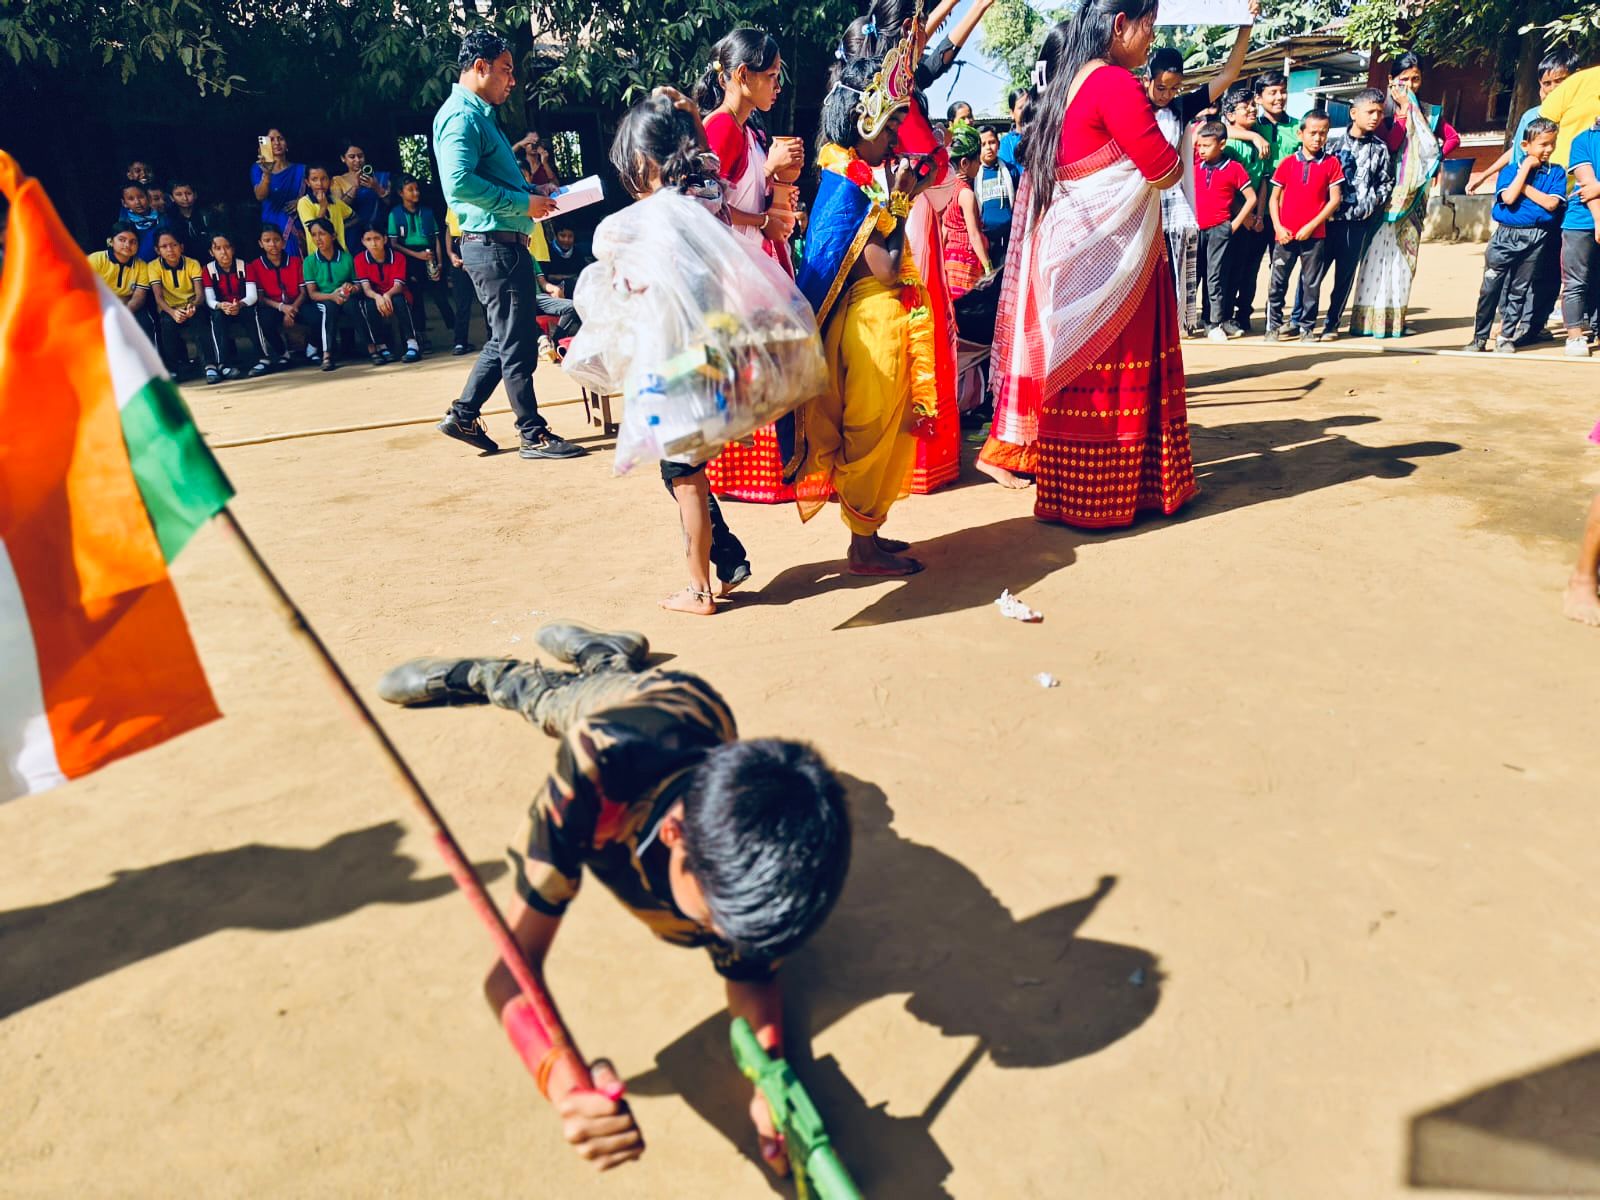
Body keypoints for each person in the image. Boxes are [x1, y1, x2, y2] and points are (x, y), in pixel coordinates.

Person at [373, 621, 850, 1177]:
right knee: (547, 702)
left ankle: (606, 654)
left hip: (694, 715)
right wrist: (562, 1080)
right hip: (639, 715)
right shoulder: (593, 774)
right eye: (718, 922)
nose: (726, 944)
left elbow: (752, 976)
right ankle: (475, 674)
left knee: (610, 683)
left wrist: (769, 1076)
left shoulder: (741, 883)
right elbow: (509, 972)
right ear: (674, 834)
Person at [987, 1, 1197, 526]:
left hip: (1070, 246)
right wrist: (1180, 149)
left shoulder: (1066, 84)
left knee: (1073, 370)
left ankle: (1068, 495)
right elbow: (1161, 167)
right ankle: (1116, 496)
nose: (1152, 39)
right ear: (1121, 24)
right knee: (1114, 368)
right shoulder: (1114, 83)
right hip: (1110, 258)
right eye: (1149, 26)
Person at [789, 56, 938, 576]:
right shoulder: (852, 187)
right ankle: (862, 547)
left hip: (877, 321)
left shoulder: (854, 176)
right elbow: (890, 268)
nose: (897, 138)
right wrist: (901, 202)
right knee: (872, 432)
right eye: (891, 126)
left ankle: (869, 532)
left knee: (884, 430)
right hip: (871, 327)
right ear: (863, 123)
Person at [608, 89, 755, 613]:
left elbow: (632, 286)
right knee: (689, 474)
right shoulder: (706, 191)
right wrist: (690, 113)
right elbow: (705, 158)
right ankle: (723, 562)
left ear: (646, 162)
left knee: (685, 480)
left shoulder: (654, 220)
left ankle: (699, 590)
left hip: (674, 366)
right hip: (709, 358)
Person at [433, 28, 585, 460]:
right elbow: (458, 184)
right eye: (505, 70)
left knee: (508, 336)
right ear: (480, 67)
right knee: (515, 339)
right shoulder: (461, 117)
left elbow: (486, 179)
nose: (511, 80)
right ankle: (531, 433)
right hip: (493, 244)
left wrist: (538, 197)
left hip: (503, 242)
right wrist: (523, 201)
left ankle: (464, 413)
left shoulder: (477, 115)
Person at [696, 28, 804, 505]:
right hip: (735, 269)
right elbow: (705, 206)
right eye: (771, 76)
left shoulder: (743, 129)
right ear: (742, 76)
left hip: (751, 261)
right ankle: (762, 474)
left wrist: (778, 200)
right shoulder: (720, 127)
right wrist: (764, 205)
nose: (776, 86)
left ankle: (772, 471)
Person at [1143, 10, 1258, 337]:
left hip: (1172, 209)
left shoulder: (1180, 108)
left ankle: (1173, 329)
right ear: (1147, 79)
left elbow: (1229, 73)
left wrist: (1245, 26)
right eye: (1162, 88)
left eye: (1174, 89)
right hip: (1138, 204)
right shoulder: (1132, 103)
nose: (1167, 95)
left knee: (1172, 278)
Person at [1349, 52, 1460, 339]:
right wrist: (1401, 112)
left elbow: (1452, 139)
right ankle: (1366, 320)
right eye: (1404, 79)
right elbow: (1391, 144)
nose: (1410, 84)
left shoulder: (1429, 112)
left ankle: (1394, 320)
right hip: (1385, 193)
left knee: (1403, 256)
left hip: (1414, 195)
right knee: (1374, 253)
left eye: (1415, 79)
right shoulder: (1380, 112)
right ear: (1391, 80)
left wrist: (1432, 163)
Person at [1463, 118, 1566, 355]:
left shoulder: (1556, 173)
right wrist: (1525, 170)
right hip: (1504, 237)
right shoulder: (1509, 171)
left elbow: (1551, 204)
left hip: (1536, 237)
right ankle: (1479, 338)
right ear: (1525, 146)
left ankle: (1506, 336)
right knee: (1490, 288)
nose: (1548, 149)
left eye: (1552, 143)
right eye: (1543, 144)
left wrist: (1525, 188)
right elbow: (1508, 198)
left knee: (1520, 289)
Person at [1312, 88, 1392, 341]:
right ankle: (1300, 322)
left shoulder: (1380, 148)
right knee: (1312, 275)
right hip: (1326, 221)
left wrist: (1372, 201)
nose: (1375, 117)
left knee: (1344, 277)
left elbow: (1385, 182)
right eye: (1370, 112)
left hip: (1357, 223)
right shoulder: (1332, 143)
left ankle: (1331, 324)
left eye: (1379, 113)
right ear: (1353, 112)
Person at [1265, 111, 1343, 341]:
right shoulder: (1288, 163)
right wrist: (1278, 227)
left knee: (1311, 283)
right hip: (1285, 235)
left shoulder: (1331, 164)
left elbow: (1335, 199)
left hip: (1315, 235)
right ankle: (1273, 327)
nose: (1317, 138)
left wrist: (1311, 226)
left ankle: (1307, 328)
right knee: (1277, 283)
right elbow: (1273, 198)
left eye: (1323, 133)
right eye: (1312, 133)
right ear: (1301, 134)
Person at [1470, 51, 1577, 194]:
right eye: (1547, 83)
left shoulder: (1584, 114)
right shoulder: (1532, 116)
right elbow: (1518, 151)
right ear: (1540, 86)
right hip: (1536, 193)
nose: (1553, 88)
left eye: (1559, 81)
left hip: (1574, 193)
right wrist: (1484, 175)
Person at [1192, 122, 1255, 343]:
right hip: (1196, 229)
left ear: (1222, 144)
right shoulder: (1195, 166)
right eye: (1199, 145)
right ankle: (1190, 320)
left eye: (1207, 146)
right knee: (1193, 275)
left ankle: (1214, 323)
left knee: (1215, 276)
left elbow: (1251, 198)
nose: (1201, 150)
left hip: (1220, 229)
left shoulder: (1234, 168)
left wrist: (1234, 225)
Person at [1217, 85, 1268, 337]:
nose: (1251, 109)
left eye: (1252, 105)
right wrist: (1245, 215)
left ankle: (1241, 315)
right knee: (1228, 270)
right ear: (1229, 114)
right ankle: (1223, 317)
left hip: (1255, 215)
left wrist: (1258, 215)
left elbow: (1264, 180)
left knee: (1248, 270)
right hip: (1233, 215)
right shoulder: (1226, 142)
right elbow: (1227, 187)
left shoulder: (1260, 133)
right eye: (1244, 107)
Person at [387, 175, 454, 349]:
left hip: (429, 255)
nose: (415, 193)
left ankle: (455, 331)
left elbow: (436, 238)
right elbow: (394, 244)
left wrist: (439, 263)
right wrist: (416, 256)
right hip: (409, 258)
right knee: (415, 297)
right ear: (401, 193)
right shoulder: (395, 214)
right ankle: (421, 336)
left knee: (440, 294)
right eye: (410, 190)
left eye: (417, 189)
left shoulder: (427, 212)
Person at [1558, 116, 1600, 357]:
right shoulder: (1583, 139)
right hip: (1581, 222)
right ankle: (1574, 335)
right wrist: (1598, 221)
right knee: (1576, 281)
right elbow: (1587, 186)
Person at [355, 226, 422, 364]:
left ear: (385, 239)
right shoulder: (360, 259)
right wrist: (378, 297)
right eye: (368, 239)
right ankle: (381, 346)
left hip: (395, 293)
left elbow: (398, 285)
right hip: (375, 295)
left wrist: (387, 295)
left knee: (399, 300)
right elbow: (366, 289)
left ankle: (412, 343)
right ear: (363, 241)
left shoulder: (398, 257)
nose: (373, 243)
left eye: (377, 238)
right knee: (368, 305)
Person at [301, 216, 360, 372]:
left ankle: (374, 347)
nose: (318, 239)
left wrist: (351, 288)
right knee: (329, 308)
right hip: (322, 300)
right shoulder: (309, 261)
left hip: (344, 298)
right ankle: (327, 355)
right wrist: (332, 296)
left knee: (355, 306)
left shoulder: (347, 258)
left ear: (333, 236)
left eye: (322, 234)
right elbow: (312, 294)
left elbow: (358, 284)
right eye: (314, 235)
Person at [245, 225, 307, 372]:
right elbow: (260, 298)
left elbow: (303, 292)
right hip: (273, 306)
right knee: (264, 321)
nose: (272, 244)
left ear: (283, 242)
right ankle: (283, 354)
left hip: (296, 304)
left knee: (316, 316)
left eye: (276, 240)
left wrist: (291, 309)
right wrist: (281, 307)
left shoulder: (295, 262)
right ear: (260, 243)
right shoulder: (255, 266)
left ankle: (313, 348)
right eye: (267, 241)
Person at [200, 234, 259, 383]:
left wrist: (239, 304)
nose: (223, 252)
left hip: (242, 306)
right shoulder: (208, 270)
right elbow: (210, 299)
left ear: (233, 249)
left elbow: (252, 296)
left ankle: (263, 358)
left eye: (227, 247)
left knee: (252, 313)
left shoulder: (245, 266)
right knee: (216, 316)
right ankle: (223, 364)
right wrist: (221, 306)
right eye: (218, 248)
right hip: (223, 309)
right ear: (211, 253)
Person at [148, 230, 204, 379]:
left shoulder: (192, 263)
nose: (170, 250)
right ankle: (175, 367)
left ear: (181, 247)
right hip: (169, 309)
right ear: (157, 250)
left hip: (191, 306)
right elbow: (158, 297)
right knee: (166, 324)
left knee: (201, 320)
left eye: (173, 245)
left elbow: (199, 294)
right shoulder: (153, 267)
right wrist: (173, 312)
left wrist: (193, 306)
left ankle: (208, 364)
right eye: (164, 246)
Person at [943, 123, 990, 297]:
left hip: (950, 264)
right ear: (964, 163)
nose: (979, 165)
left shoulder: (945, 190)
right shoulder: (966, 194)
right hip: (967, 265)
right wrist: (988, 267)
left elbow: (945, 230)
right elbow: (974, 235)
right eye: (978, 160)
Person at [89, 221, 154, 338]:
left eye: (133, 242)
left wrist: (126, 311)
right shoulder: (96, 259)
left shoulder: (142, 266)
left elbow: (139, 295)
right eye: (122, 240)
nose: (127, 245)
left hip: (128, 306)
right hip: (98, 305)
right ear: (111, 241)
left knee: (146, 324)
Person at [251, 128, 307, 256]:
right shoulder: (258, 168)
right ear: (263, 145)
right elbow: (260, 196)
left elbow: (317, 194)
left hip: (295, 222)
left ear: (287, 143)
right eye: (271, 140)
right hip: (271, 224)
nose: (276, 143)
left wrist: (301, 201)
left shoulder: (301, 170)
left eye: (280, 138)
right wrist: (267, 173)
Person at [331, 141, 392, 240]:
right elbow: (338, 209)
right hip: (351, 233)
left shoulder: (380, 178)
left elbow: (390, 203)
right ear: (343, 158)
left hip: (378, 232)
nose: (357, 160)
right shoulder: (337, 181)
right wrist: (355, 187)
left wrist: (376, 187)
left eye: (360, 156)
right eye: (352, 157)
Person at [442, 208, 480, 356]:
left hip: (477, 248)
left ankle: (494, 338)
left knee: (487, 302)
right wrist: (450, 253)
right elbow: (449, 230)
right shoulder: (452, 203)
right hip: (458, 250)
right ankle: (460, 342)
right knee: (461, 303)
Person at [974, 126, 1015, 261]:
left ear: (998, 143)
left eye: (991, 142)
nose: (988, 148)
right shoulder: (974, 175)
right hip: (986, 239)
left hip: (1009, 238)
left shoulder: (1010, 171)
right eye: (983, 144)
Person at [297, 164, 356, 253]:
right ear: (307, 182)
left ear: (330, 181)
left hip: (341, 254)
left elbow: (354, 217)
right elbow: (314, 229)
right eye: (314, 179)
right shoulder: (305, 202)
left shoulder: (335, 201)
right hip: (318, 257)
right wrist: (323, 206)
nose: (319, 184)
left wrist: (340, 227)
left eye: (324, 179)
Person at [118, 182, 166, 261]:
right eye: (131, 199)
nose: (137, 202)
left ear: (148, 198)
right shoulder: (123, 223)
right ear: (124, 203)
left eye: (141, 197)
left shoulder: (163, 219)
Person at [165, 181, 209, 265]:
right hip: (184, 263)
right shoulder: (169, 218)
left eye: (188, 193)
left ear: (195, 195)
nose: (185, 198)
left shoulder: (205, 214)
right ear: (172, 197)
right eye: (179, 194)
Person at [543, 224, 592, 296]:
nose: (566, 240)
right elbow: (548, 277)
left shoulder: (578, 252)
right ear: (556, 236)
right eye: (562, 236)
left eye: (570, 236)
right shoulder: (547, 251)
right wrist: (569, 277)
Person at [999, 89, 1029, 177]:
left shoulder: (1040, 135)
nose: (1025, 111)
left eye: (1028, 106)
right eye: (1020, 108)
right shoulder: (1006, 143)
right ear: (1012, 113)